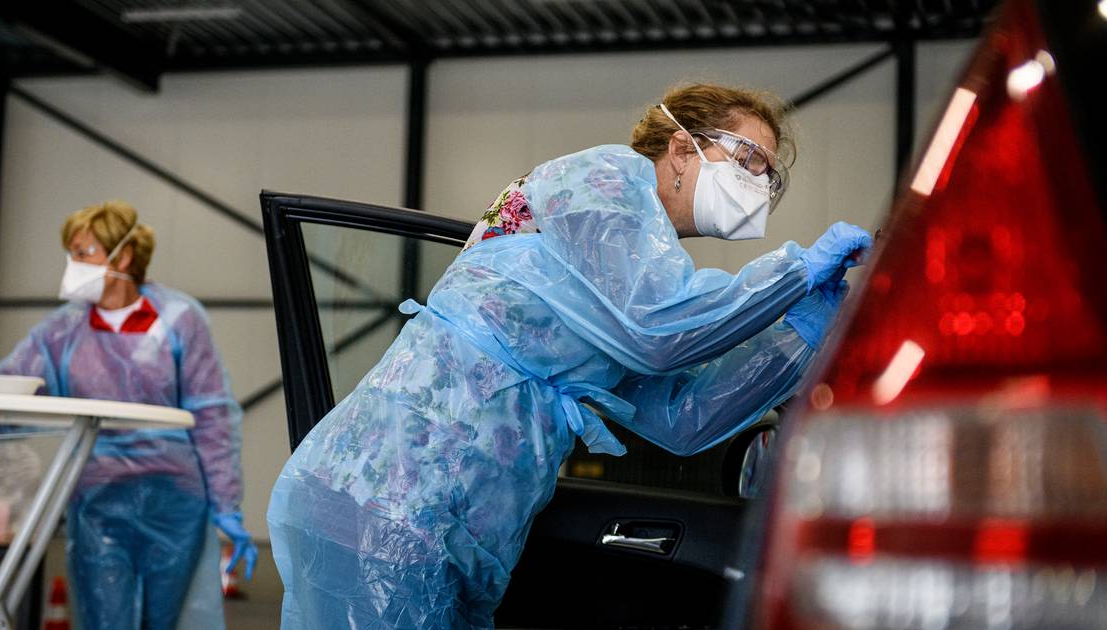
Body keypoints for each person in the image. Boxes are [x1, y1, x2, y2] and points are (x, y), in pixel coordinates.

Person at [267, 83, 872, 629]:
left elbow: (682, 419)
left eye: (769, 176)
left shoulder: (631, 280)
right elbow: (656, 330)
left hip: (450, 526)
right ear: (681, 147)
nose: (758, 185)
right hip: (381, 500)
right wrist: (792, 273)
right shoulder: (603, 182)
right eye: (747, 159)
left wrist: (799, 331)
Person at [0, 201, 258, 629]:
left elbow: (211, 413)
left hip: (175, 501)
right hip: (99, 500)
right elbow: (8, 387)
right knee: (104, 618)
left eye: (83, 251)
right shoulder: (62, 331)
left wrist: (227, 503)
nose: (73, 264)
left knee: (161, 623)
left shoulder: (179, 319)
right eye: (72, 252)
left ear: (123, 256)